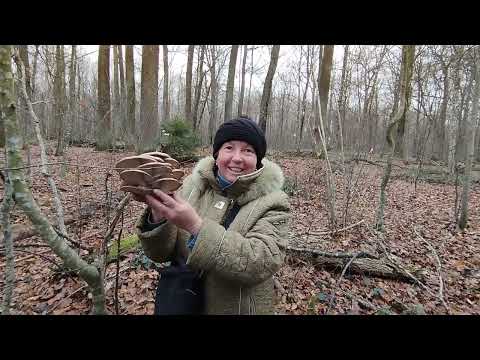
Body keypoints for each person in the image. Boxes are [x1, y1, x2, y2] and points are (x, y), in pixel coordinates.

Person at [135, 116, 290, 315]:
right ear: (216, 154)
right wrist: (158, 214)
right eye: (229, 147)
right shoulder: (192, 186)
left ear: (258, 160)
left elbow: (260, 263)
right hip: (183, 304)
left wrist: (195, 226)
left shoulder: (274, 201)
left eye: (248, 150)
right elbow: (159, 254)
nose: (237, 158)